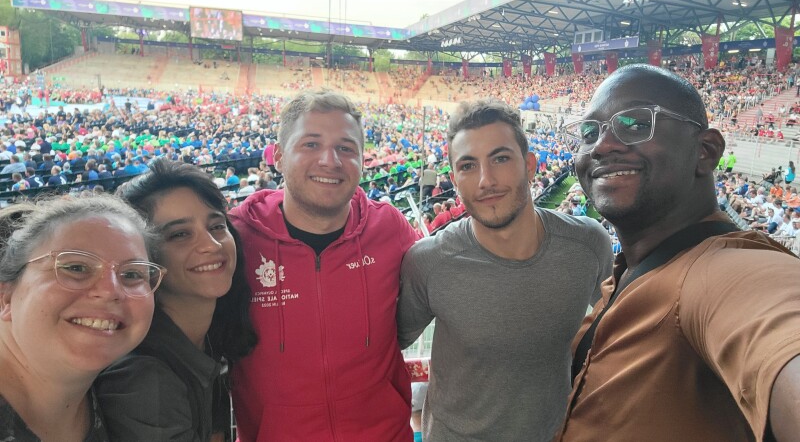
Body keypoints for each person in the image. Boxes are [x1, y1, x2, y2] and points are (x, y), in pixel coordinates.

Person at [556, 64, 800, 441]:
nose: (601, 146)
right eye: (589, 132)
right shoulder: (629, 270)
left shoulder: (723, 271)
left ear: (705, 151)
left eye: (636, 124)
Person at [397, 99, 613, 441]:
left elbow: (618, 335)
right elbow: (381, 350)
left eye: (500, 158)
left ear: (530, 165)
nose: (486, 180)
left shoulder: (588, 245)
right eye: (468, 165)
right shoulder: (428, 262)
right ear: (454, 180)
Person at [229, 91, 418, 441]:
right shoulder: (236, 238)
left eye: (346, 148)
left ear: (362, 160)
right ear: (279, 156)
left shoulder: (389, 227)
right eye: (311, 144)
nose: (330, 161)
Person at [96, 159, 257, 441]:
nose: (211, 245)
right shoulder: (142, 378)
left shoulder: (208, 342)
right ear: (142, 258)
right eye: (180, 234)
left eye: (216, 226)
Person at [0, 196, 162, 440]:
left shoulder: (119, 398)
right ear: (5, 297)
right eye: (76, 267)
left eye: (132, 274)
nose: (110, 291)